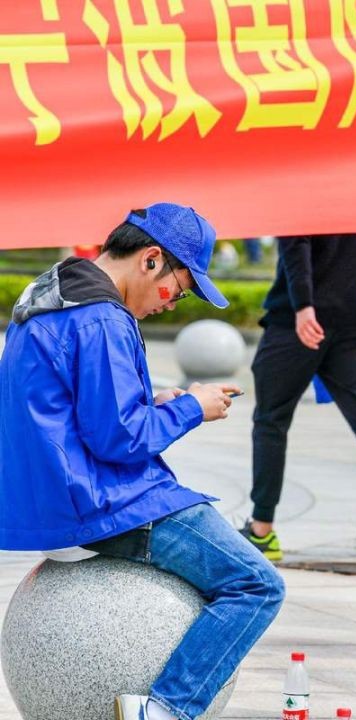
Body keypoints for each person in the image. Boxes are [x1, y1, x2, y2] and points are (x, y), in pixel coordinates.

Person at [0, 203, 285, 720]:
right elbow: (123, 442)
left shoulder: (52, 295)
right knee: (257, 584)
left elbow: (72, 406)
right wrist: (192, 409)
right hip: (102, 503)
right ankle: (165, 709)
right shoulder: (104, 318)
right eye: (177, 288)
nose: (171, 304)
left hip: (47, 502)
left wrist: (154, 399)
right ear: (151, 259)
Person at [244, 232, 356, 560]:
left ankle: (262, 530)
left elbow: (296, 242)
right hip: (353, 312)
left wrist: (304, 303)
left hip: (298, 320)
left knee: (270, 420)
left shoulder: (301, 184)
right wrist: (351, 269)